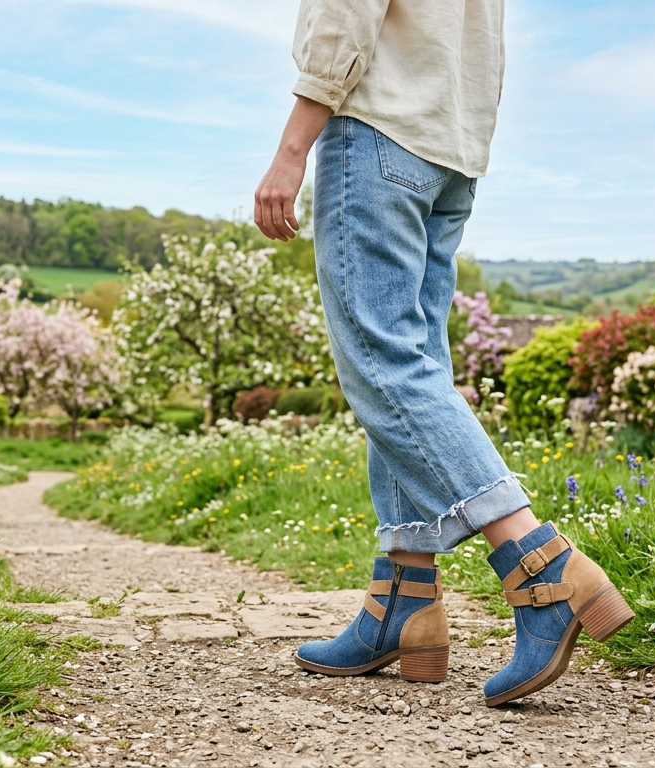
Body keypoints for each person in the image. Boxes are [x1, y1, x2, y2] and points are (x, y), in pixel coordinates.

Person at [252, 0, 633, 706]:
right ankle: (405, 600)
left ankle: (541, 564)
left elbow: (344, 15)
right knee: (414, 366)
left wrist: (290, 149)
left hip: (376, 136)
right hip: (451, 150)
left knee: (381, 363)